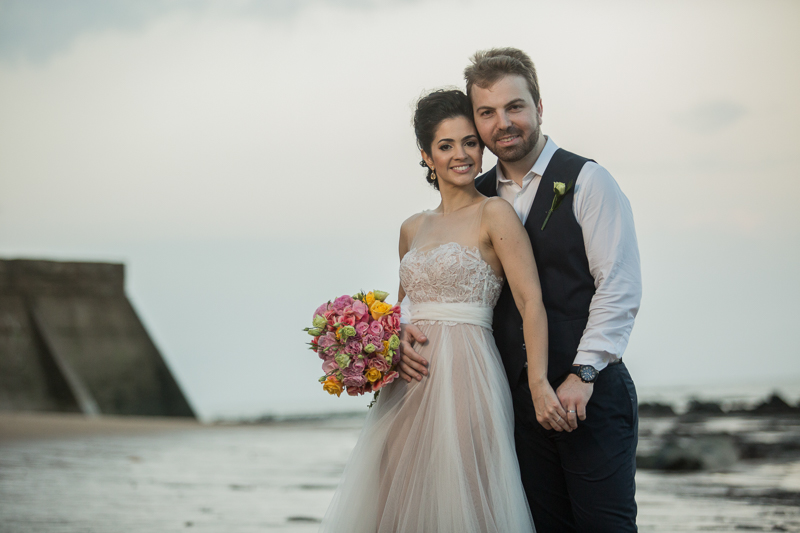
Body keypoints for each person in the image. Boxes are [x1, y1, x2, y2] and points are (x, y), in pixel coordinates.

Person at [399, 48, 642, 532]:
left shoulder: (588, 181)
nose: (502, 123)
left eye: (515, 107)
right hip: (509, 400)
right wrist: (400, 329)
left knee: (605, 526)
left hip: (585, 393)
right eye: (487, 113)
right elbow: (430, 285)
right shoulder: (478, 195)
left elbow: (619, 289)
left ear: (539, 107)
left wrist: (583, 374)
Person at [320, 89, 563, 532]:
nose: (461, 155)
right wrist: (387, 346)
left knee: (464, 491)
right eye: (446, 146)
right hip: (409, 380)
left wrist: (539, 382)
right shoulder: (412, 227)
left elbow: (531, 302)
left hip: (468, 371)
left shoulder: (496, 214)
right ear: (426, 155)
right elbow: (402, 309)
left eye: (470, 142)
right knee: (394, 486)